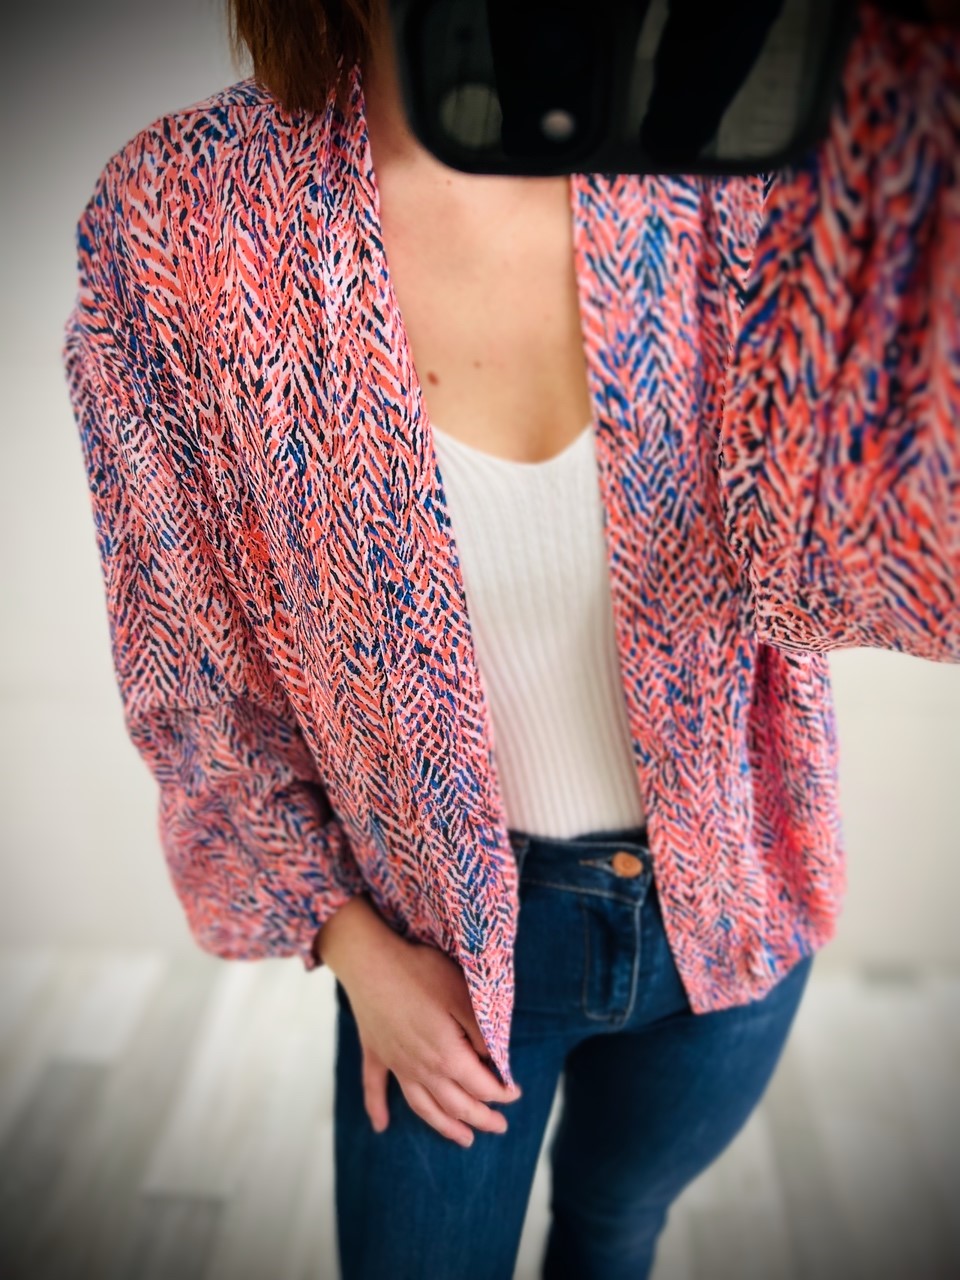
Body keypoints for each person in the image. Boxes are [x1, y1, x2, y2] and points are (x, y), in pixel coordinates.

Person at [63, 1, 959, 1277]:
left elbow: (880, 563)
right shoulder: (180, 219)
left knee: (614, 1229)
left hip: (731, 913)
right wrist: (349, 941)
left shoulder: (725, 173)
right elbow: (185, 656)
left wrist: (912, 128)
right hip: (438, 951)